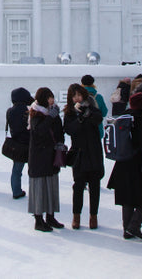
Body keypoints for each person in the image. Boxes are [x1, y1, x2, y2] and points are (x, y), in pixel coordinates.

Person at [107, 91, 142, 240]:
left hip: (123, 163)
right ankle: (134, 226)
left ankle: (127, 228)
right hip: (140, 164)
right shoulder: (141, 120)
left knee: (127, 197)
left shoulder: (124, 118)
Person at [63, 82, 105, 230]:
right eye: (74, 96)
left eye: (79, 95)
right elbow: (69, 129)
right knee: (78, 186)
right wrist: (79, 118)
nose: (78, 99)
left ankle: (93, 216)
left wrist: (89, 113)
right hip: (79, 154)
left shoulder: (92, 106)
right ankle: (76, 216)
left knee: (95, 186)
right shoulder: (69, 112)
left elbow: (99, 119)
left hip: (93, 152)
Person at [28, 87, 64, 232]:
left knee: (51, 186)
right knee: (39, 187)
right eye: (50, 97)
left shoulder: (51, 112)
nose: (52, 100)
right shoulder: (36, 113)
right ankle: (38, 219)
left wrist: (60, 143)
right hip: (39, 157)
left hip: (51, 155)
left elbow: (58, 130)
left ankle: (50, 216)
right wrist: (51, 117)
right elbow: (40, 132)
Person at [5, 87, 34, 199]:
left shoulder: (10, 111)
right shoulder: (29, 110)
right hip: (30, 143)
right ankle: (35, 191)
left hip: (17, 144)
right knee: (33, 170)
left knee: (17, 170)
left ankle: (16, 191)